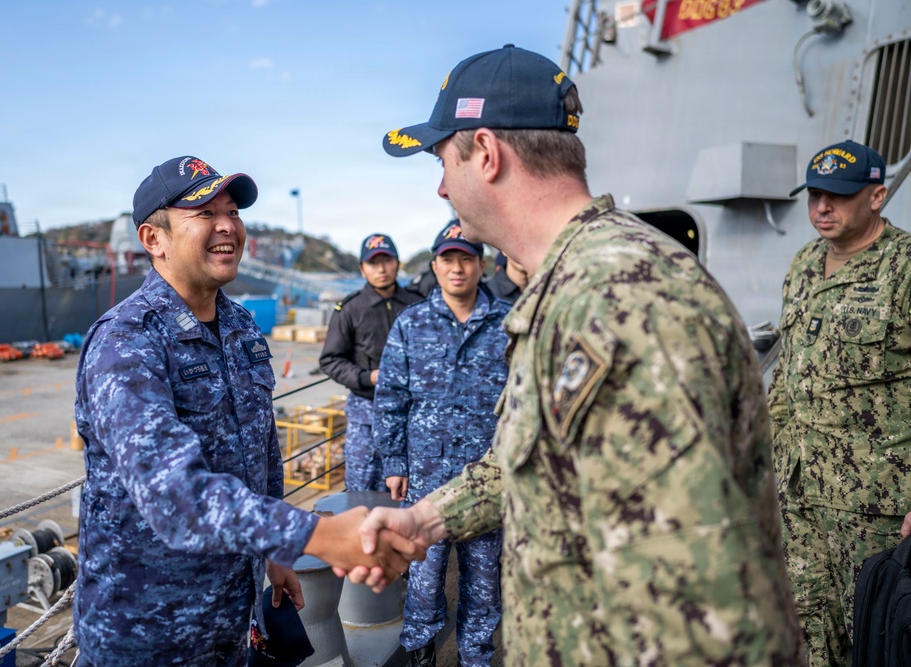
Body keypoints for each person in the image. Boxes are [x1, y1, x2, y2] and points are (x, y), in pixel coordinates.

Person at [345, 45, 806, 665]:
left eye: (443, 160)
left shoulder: (621, 302)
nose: (439, 186)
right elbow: (531, 461)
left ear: (486, 153)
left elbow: (699, 621)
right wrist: (425, 521)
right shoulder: (567, 287)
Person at [74, 156, 420, 666]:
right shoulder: (126, 342)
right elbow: (172, 494)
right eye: (204, 214)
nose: (227, 226)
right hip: (146, 630)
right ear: (154, 239)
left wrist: (274, 553)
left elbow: (260, 448)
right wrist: (314, 537)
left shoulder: (239, 327)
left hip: (231, 618)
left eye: (233, 212)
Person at [768, 139, 911, 666]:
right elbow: (788, 378)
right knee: (805, 640)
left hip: (878, 512)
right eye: (814, 195)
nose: (821, 207)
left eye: (838, 196)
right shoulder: (803, 266)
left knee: (878, 642)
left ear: (877, 197)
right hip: (800, 502)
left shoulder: (903, 267)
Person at [374, 220, 510, 667]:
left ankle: (475, 656)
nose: (457, 268)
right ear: (435, 265)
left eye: (465, 258)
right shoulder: (412, 325)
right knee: (425, 577)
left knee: (484, 582)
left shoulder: (507, 324)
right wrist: (394, 461)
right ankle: (420, 650)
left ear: (481, 265)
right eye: (448, 259)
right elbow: (391, 397)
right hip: (427, 480)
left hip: (487, 481)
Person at [319, 234, 423, 491]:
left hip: (413, 412)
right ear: (362, 269)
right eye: (373, 263)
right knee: (363, 488)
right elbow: (330, 360)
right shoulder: (351, 309)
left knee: (416, 486)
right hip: (367, 412)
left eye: (387, 260)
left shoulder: (416, 305)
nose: (381, 268)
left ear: (397, 263)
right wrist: (367, 377)